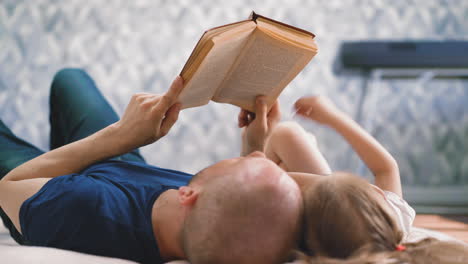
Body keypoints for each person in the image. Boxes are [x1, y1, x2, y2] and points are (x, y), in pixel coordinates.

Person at [0, 68, 303, 264]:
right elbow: (238, 204)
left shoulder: (82, 208)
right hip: (120, 168)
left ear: (188, 195)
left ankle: (55, 172)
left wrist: (121, 135)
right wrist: (252, 145)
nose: (257, 156)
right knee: (70, 79)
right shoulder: (209, 213)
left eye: (246, 163)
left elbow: (8, 186)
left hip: (60, 192)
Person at [238, 96, 468, 263]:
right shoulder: (394, 215)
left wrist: (252, 147)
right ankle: (277, 156)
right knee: (287, 137)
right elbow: (386, 167)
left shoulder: (290, 243)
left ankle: (274, 157)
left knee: (285, 140)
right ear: (379, 198)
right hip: (318, 213)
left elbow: (255, 191)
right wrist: (331, 116)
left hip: (280, 204)